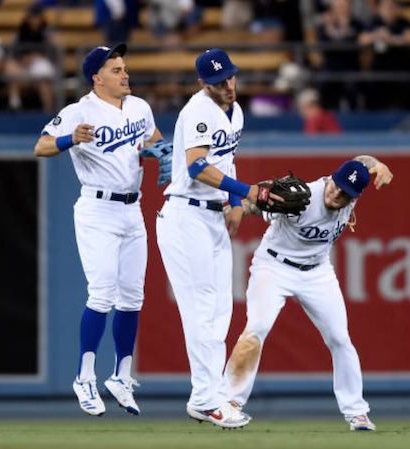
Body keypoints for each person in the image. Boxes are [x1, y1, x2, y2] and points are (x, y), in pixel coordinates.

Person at [34, 43, 171, 417]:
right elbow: (41, 147)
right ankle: (84, 377)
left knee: (133, 297)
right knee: (102, 293)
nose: (125, 75)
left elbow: (155, 141)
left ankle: (121, 376)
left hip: (132, 208)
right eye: (116, 70)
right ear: (97, 77)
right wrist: (70, 139)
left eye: (125, 68)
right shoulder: (79, 110)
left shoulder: (139, 107)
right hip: (97, 208)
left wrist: (161, 153)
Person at [155, 48, 282, 429]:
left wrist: (234, 203)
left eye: (230, 77)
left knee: (221, 308)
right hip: (185, 214)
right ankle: (205, 398)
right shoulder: (197, 110)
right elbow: (196, 166)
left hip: (211, 215)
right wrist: (247, 191)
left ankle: (211, 396)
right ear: (202, 84)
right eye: (218, 81)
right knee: (200, 309)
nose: (228, 85)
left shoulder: (236, 110)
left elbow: (224, 161)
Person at [223, 155, 393, 432]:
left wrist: (379, 166)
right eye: (335, 184)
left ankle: (357, 412)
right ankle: (229, 402)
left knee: (340, 338)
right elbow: (256, 202)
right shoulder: (301, 196)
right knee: (256, 329)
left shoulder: (351, 192)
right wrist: (239, 208)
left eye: (343, 193)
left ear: (354, 198)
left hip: (317, 272)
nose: (335, 192)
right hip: (274, 267)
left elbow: (363, 162)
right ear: (332, 176)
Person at [5, 4, 57, 112]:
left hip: (41, 66)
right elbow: (12, 54)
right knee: (10, 67)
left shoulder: (47, 33)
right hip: (24, 68)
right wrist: (25, 59)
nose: (34, 20)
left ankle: (48, 114)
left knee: (44, 83)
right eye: (31, 17)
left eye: (36, 17)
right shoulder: (21, 32)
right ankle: (14, 105)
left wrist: (38, 56)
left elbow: (55, 54)